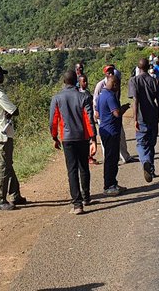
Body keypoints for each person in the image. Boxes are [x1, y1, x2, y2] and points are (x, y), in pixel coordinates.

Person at [49, 70, 98, 214]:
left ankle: (77, 204)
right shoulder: (83, 97)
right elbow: (89, 120)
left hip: (67, 138)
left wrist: (54, 137)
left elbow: (53, 121)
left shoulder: (57, 98)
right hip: (82, 137)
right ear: (76, 81)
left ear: (64, 82)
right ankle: (86, 197)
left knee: (72, 170)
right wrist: (93, 139)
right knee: (84, 167)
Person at [0, 65, 26, 211]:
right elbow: (15, 110)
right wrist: (10, 113)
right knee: (2, 166)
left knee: (7, 164)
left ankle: (15, 194)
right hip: (3, 134)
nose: (4, 77)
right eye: (2, 75)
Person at [129, 59, 159, 183]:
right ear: (148, 67)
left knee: (142, 143)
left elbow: (135, 100)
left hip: (141, 117)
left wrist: (135, 118)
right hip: (154, 116)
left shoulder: (133, 81)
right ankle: (151, 168)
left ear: (138, 67)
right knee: (151, 144)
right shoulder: (154, 81)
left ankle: (146, 162)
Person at [95, 73, 129, 196]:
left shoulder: (100, 96)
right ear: (114, 84)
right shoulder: (110, 96)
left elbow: (97, 114)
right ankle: (109, 185)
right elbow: (116, 113)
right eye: (118, 85)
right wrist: (123, 108)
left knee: (111, 158)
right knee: (111, 159)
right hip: (111, 131)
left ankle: (112, 183)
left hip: (105, 129)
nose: (118, 88)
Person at [95, 66, 134, 164]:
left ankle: (125, 157)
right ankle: (109, 160)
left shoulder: (115, 81)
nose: (111, 74)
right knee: (108, 143)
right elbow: (96, 100)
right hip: (105, 116)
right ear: (105, 73)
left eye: (112, 72)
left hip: (113, 114)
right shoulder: (101, 86)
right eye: (108, 72)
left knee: (121, 136)